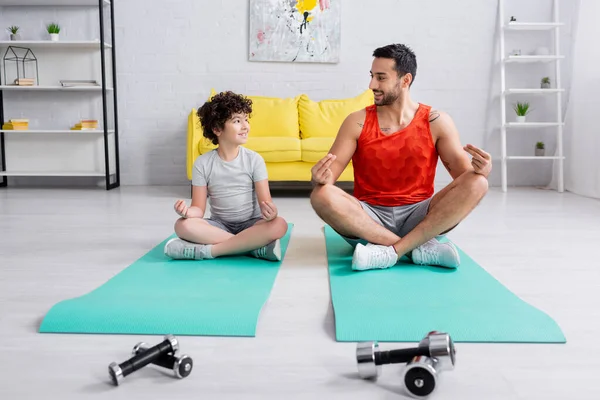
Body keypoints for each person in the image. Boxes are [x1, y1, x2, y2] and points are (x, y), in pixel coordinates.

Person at [310, 44, 492, 271]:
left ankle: (390, 252)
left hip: (420, 216)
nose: (371, 85)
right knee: (320, 195)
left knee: (478, 183)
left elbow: (465, 178)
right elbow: (328, 179)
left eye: (381, 78)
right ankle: (415, 248)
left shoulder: (436, 121)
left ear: (405, 80)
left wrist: (482, 169)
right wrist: (318, 177)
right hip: (368, 219)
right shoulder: (356, 121)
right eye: (371, 76)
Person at [164, 91, 288, 261]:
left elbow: (266, 205)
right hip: (220, 226)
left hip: (252, 224)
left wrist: (271, 214)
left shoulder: (254, 160)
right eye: (237, 121)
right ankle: (251, 248)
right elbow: (198, 209)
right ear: (217, 129)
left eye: (246, 119)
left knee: (279, 224)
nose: (245, 126)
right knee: (182, 225)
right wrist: (186, 212)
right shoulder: (202, 163)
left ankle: (209, 251)